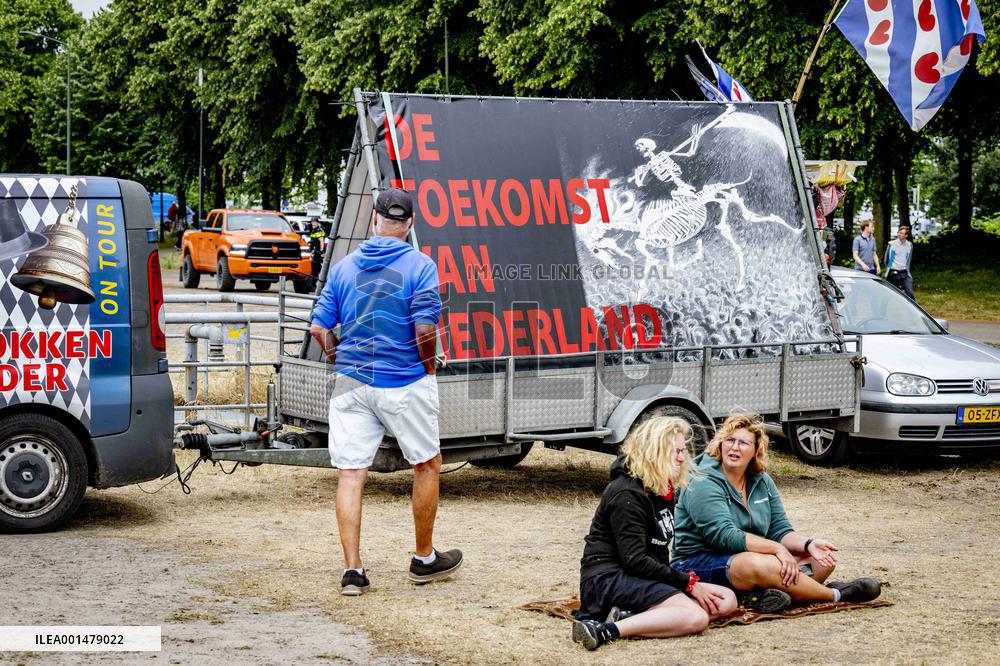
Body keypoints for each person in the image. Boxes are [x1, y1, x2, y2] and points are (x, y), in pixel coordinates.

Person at [309, 187, 461, 596]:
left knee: (351, 474)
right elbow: (425, 328)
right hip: (404, 379)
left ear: (374, 220)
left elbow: (319, 327)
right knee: (426, 464)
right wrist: (428, 367)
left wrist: (339, 357)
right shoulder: (421, 266)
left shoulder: (343, 267)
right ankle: (424, 559)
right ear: (410, 224)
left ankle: (353, 571)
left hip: (351, 382)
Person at [672, 412, 881, 612]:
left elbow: (779, 530)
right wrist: (777, 550)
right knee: (759, 564)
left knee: (821, 560)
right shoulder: (702, 481)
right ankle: (835, 594)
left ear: (756, 450)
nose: (734, 447)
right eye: (729, 440)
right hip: (698, 562)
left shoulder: (762, 480)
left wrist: (809, 544)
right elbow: (724, 537)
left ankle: (759, 594)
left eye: (743, 443)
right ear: (720, 444)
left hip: (753, 557)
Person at [571, 417, 738, 651]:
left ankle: (632, 616)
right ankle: (606, 630)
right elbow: (634, 560)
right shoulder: (627, 493)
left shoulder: (660, 487)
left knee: (726, 599)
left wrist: (681, 585)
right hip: (607, 579)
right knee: (696, 617)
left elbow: (656, 553)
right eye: (675, 451)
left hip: (638, 576)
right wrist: (687, 583)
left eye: (682, 451)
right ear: (654, 452)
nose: (682, 458)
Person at [884, 225, 914, 300]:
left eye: (902, 233)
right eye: (899, 232)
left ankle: (910, 307)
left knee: (909, 292)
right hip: (893, 271)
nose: (899, 234)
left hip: (904, 272)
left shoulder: (909, 245)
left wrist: (908, 271)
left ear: (906, 235)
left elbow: (909, 259)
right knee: (890, 293)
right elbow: (886, 259)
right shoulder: (892, 244)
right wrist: (889, 269)